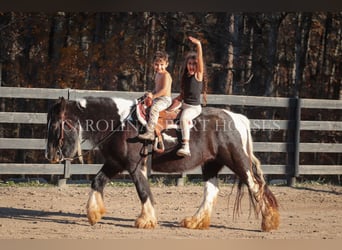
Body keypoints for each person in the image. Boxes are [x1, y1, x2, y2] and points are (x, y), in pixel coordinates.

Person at [175, 36, 207, 157]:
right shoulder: (186, 77)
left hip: (193, 108)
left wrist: (198, 44)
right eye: (190, 63)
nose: (192, 66)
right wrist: (174, 103)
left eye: (194, 64)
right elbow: (183, 95)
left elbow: (200, 59)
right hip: (184, 105)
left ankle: (186, 146)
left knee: (183, 118)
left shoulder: (198, 75)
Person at [138, 51, 172, 141]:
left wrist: (153, 96)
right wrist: (150, 94)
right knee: (142, 106)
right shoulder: (157, 74)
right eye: (156, 64)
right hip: (158, 97)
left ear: (166, 64)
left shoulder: (166, 75)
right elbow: (156, 89)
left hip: (165, 99)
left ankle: (150, 132)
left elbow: (164, 90)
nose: (159, 67)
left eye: (162, 64)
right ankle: (142, 127)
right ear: (153, 64)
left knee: (154, 109)